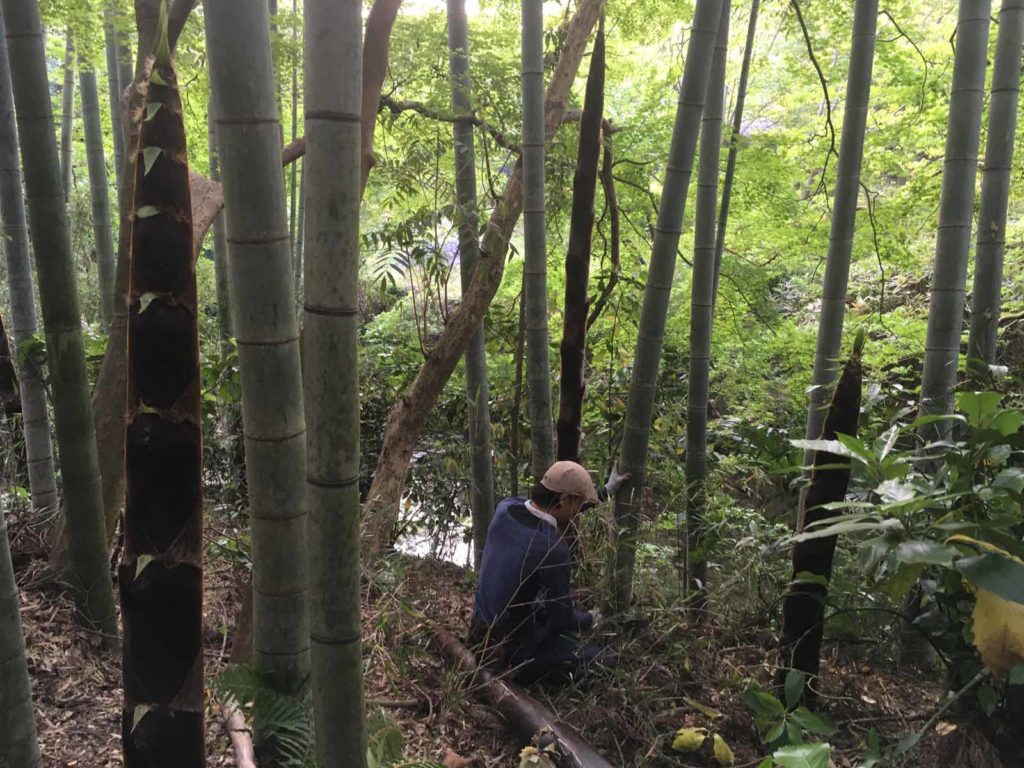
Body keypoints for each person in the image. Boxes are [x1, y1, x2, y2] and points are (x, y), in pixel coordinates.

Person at [469, 460, 629, 685]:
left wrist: (606, 491)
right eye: (578, 502)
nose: (577, 510)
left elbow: (561, 510)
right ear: (564, 499)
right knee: (603, 661)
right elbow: (562, 617)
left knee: (540, 600)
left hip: (479, 629)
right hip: (510, 652)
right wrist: (591, 618)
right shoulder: (552, 549)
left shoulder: (506, 507)